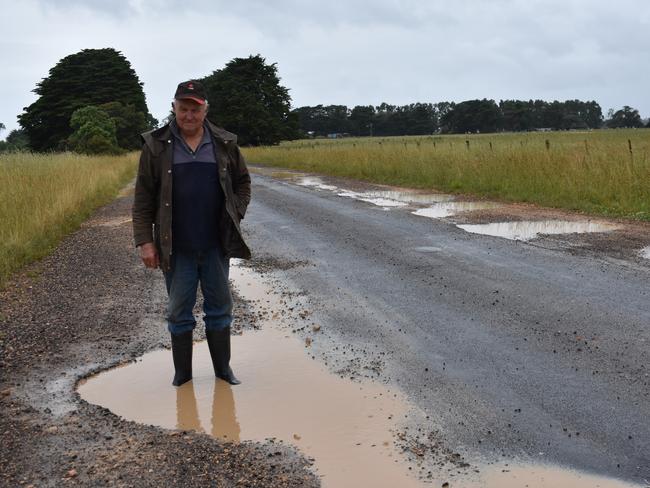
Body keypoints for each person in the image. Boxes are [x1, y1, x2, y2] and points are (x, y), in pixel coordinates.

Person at [132, 80, 251, 386]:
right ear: (174, 108)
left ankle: (223, 371)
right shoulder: (155, 146)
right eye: (183, 108)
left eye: (194, 110)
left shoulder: (224, 143)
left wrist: (235, 213)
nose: (188, 115)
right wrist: (146, 242)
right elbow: (143, 199)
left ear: (204, 110)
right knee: (178, 312)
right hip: (177, 247)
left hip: (215, 245)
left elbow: (243, 183)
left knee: (220, 308)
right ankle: (182, 376)